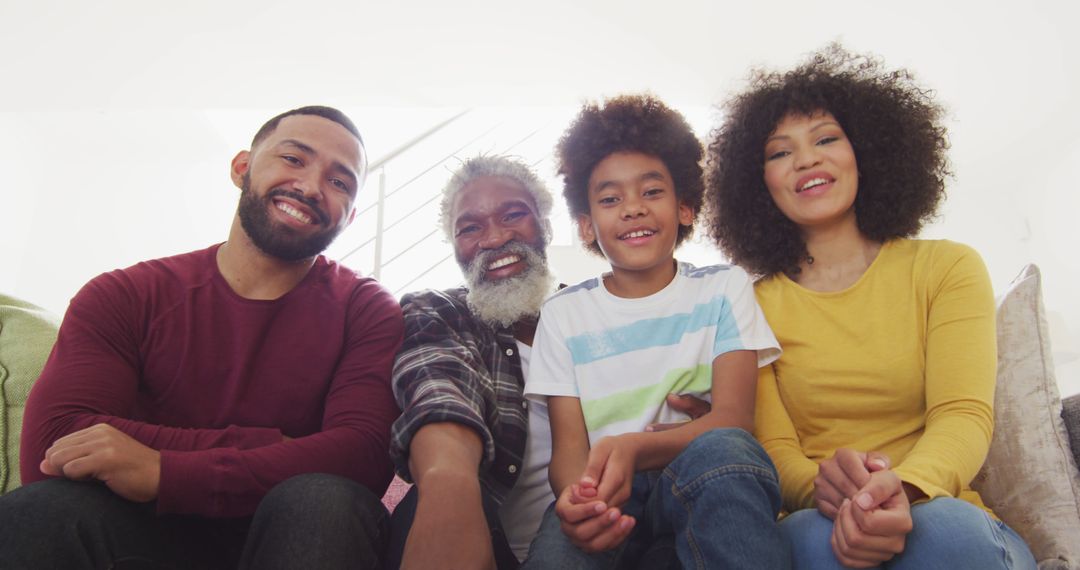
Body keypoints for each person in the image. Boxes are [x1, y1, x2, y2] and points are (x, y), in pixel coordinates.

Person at [0, 106, 404, 570]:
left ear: (350, 217)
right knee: (39, 511)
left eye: (340, 183)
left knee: (324, 499)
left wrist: (165, 471)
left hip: (291, 531)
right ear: (242, 168)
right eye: (294, 159)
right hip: (138, 533)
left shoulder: (368, 309)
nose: (311, 187)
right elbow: (56, 442)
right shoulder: (124, 293)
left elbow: (364, 454)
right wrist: (286, 445)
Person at [704, 45, 1037, 569]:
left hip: (942, 512)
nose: (807, 159)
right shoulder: (747, 303)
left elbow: (963, 413)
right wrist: (829, 491)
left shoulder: (947, 268)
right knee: (811, 543)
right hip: (822, 517)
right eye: (779, 151)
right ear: (758, 181)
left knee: (947, 532)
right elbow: (774, 449)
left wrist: (900, 489)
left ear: (867, 150)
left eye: (826, 139)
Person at [521, 94, 792, 570]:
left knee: (728, 453)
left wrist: (634, 446)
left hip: (698, 479)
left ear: (685, 208)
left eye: (651, 192)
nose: (632, 209)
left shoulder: (724, 289)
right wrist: (579, 499)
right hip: (605, 492)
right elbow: (569, 454)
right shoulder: (563, 315)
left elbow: (732, 421)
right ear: (586, 226)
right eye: (609, 199)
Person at [387, 155, 558, 570]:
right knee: (418, 505)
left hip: (622, 536)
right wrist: (448, 479)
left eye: (513, 214)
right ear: (456, 249)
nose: (496, 238)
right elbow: (439, 392)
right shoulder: (440, 312)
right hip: (495, 549)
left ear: (546, 226)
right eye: (470, 227)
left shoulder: (598, 310)